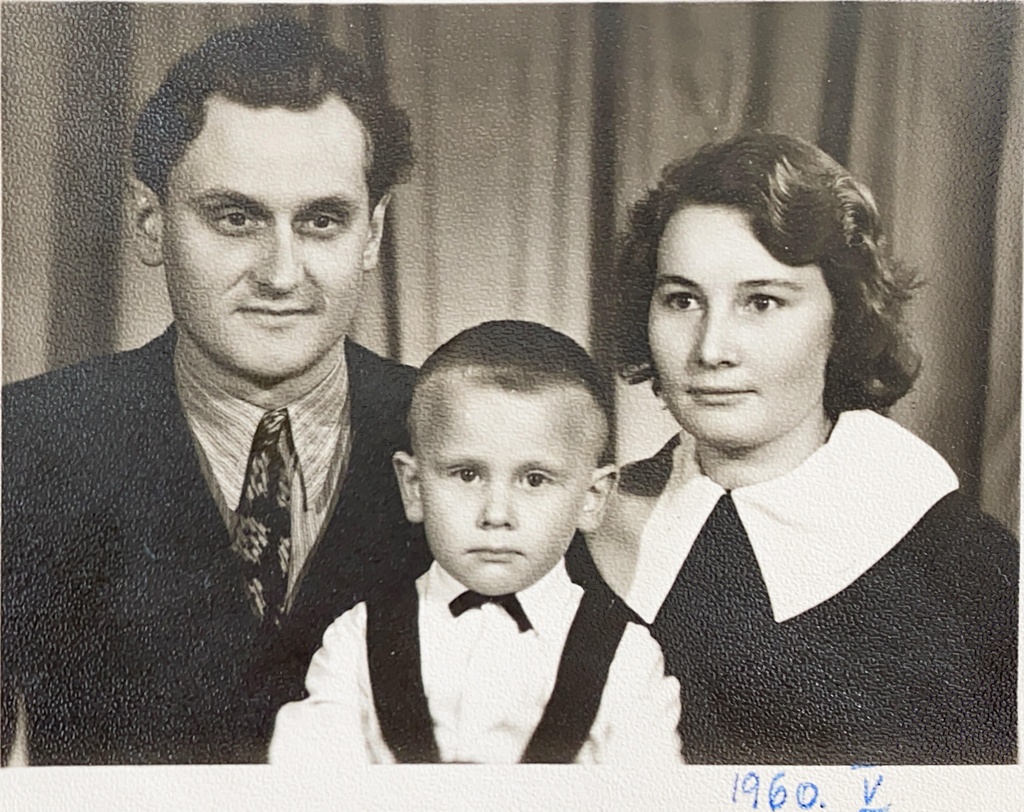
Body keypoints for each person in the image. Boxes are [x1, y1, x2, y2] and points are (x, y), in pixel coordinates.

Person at [1, 19, 431, 765]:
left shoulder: (461, 435)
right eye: (236, 218)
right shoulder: (22, 446)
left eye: (323, 221)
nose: (282, 273)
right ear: (151, 223)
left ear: (373, 234)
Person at [578, 133, 1018, 764]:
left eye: (762, 302)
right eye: (682, 300)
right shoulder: (577, 530)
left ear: (843, 317)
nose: (711, 348)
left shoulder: (968, 567)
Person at [269, 320, 683, 765]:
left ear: (592, 498)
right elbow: (306, 786)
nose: (496, 514)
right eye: (467, 474)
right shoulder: (357, 639)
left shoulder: (626, 658)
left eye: (535, 480)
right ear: (413, 487)